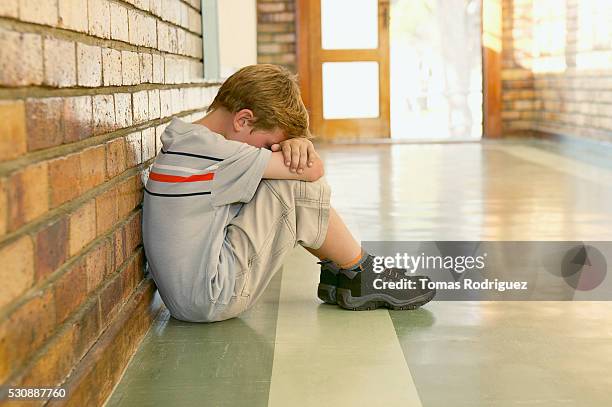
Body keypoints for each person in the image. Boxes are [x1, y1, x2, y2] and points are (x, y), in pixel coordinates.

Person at [142, 64, 435, 323]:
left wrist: (289, 145)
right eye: (270, 144)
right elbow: (311, 171)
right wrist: (298, 147)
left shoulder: (185, 139)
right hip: (212, 296)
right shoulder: (218, 154)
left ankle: (344, 271)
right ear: (243, 120)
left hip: (189, 295)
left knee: (275, 179)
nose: (271, 151)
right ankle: (359, 272)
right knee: (293, 186)